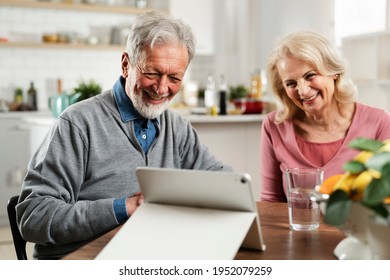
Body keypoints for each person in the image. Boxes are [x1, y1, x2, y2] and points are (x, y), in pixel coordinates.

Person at [16, 11, 232, 259]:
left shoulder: (177, 128)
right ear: (126, 64)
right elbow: (34, 216)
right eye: (152, 73)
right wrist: (123, 208)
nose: (162, 88)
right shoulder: (77, 123)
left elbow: (222, 181)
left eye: (174, 78)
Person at [260, 31, 390, 202]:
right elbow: (270, 202)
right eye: (291, 83)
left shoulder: (378, 122)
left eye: (310, 76)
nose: (303, 91)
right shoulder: (274, 125)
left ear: (334, 72)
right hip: (296, 228)